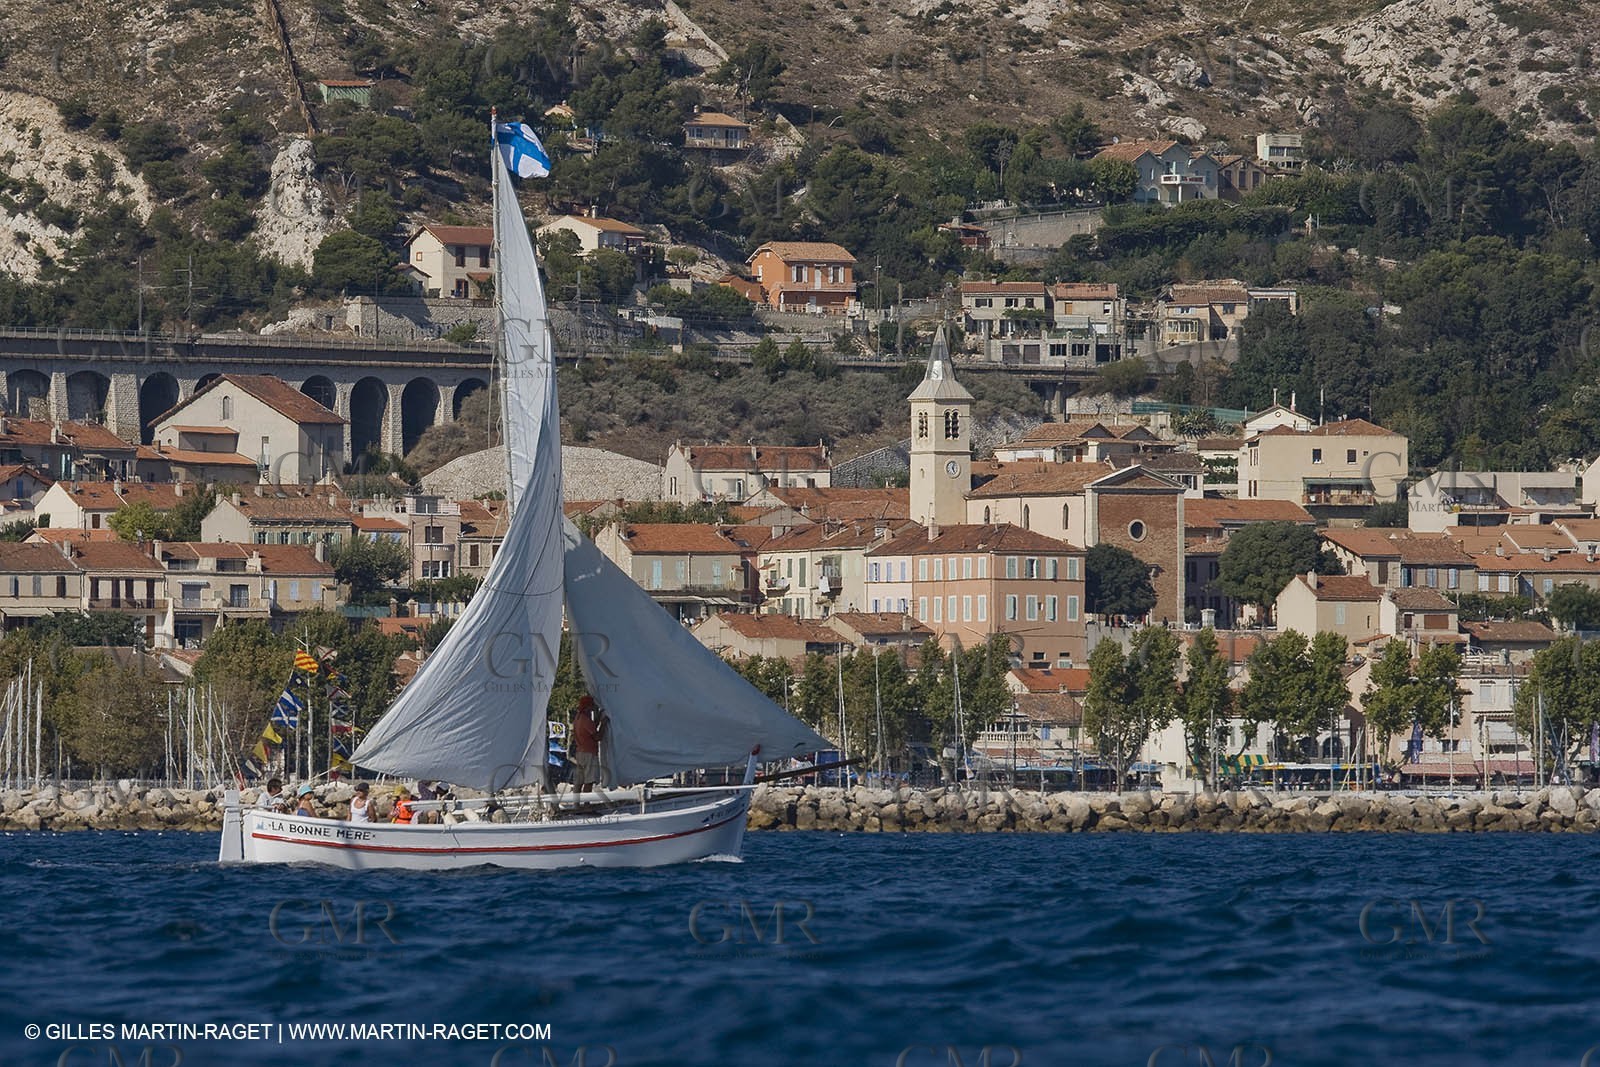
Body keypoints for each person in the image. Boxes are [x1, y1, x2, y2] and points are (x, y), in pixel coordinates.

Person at [570, 695, 608, 796]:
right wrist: (603, 724)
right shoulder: (586, 720)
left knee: (579, 782)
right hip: (589, 753)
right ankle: (586, 805)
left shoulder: (578, 718)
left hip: (580, 753)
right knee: (589, 781)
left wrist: (598, 719)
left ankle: (576, 805)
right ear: (588, 707)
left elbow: (590, 728)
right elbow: (597, 737)